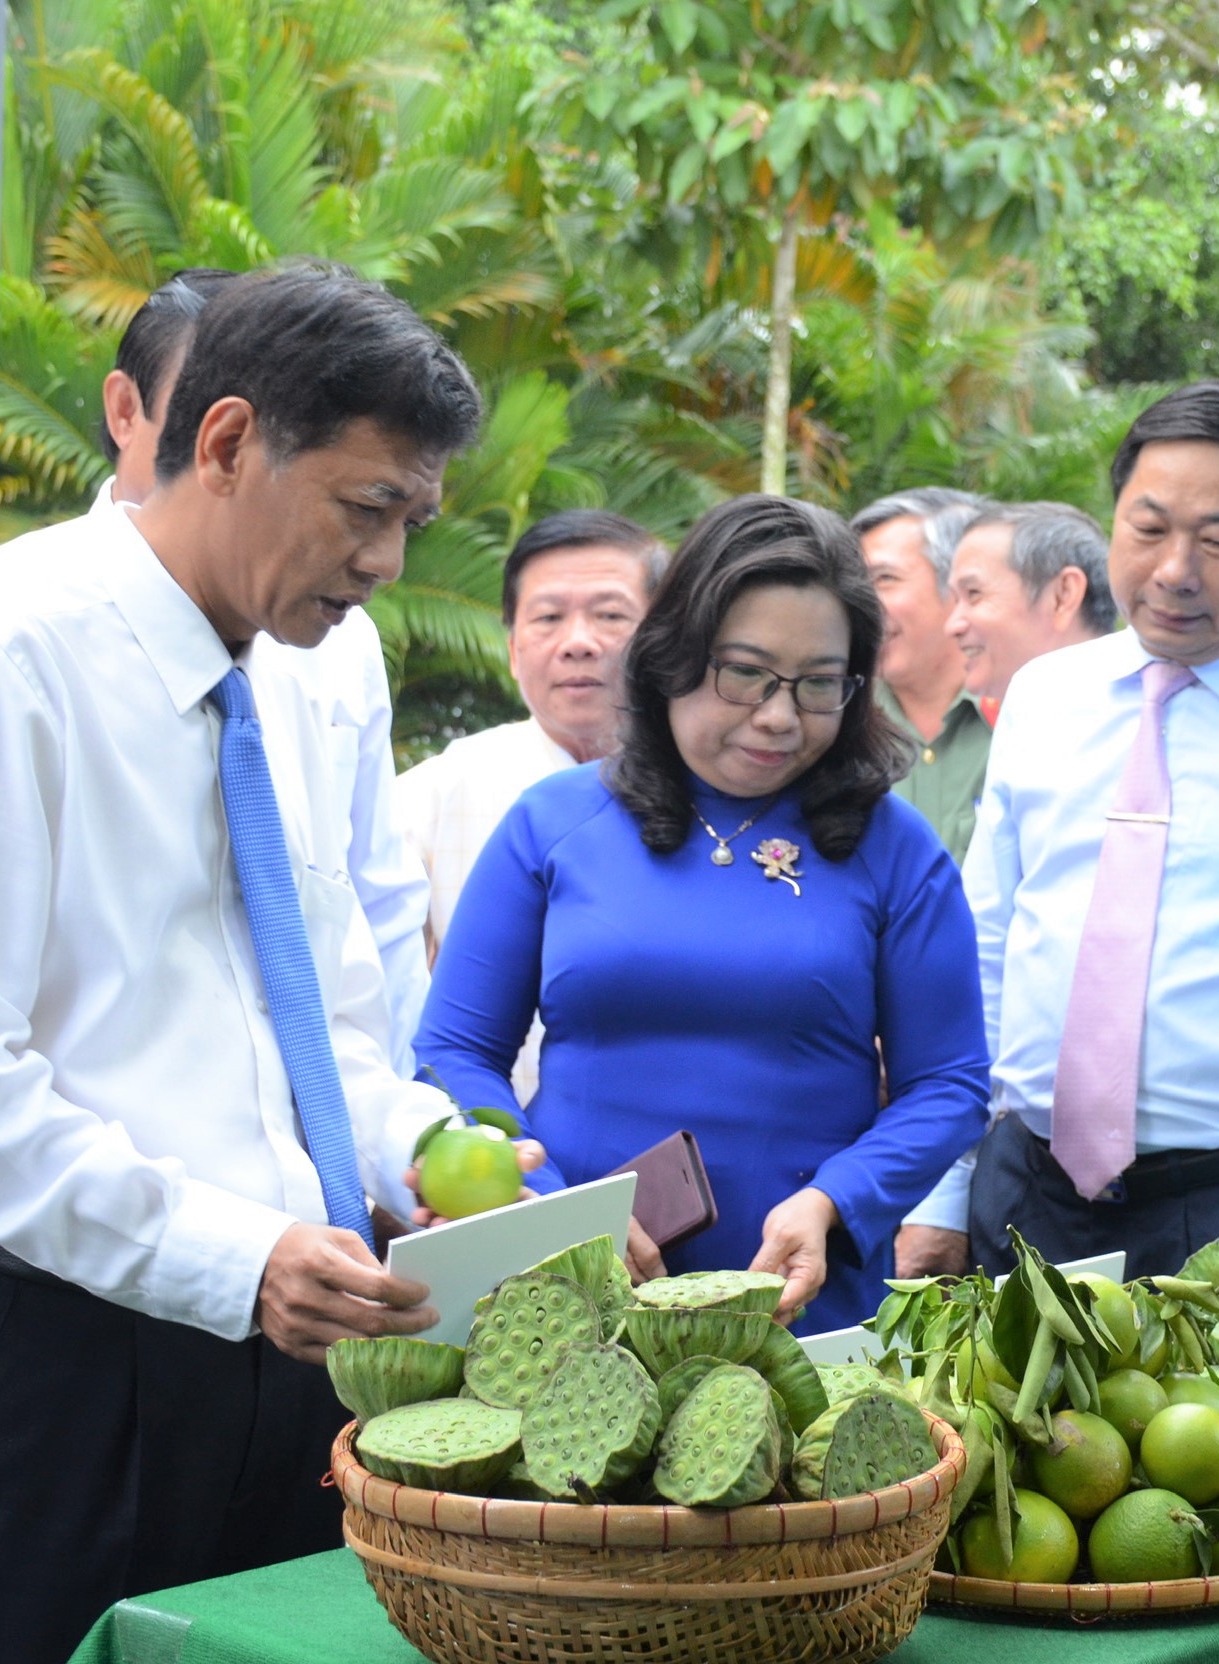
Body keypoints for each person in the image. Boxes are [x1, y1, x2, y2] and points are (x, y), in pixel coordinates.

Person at [0, 263, 509, 1663]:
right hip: (59, 1362)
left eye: (415, 521)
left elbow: (318, 1024)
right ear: (228, 441)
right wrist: (232, 1257)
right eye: (368, 507)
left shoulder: (298, 673)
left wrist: (434, 1152)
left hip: (292, 1353)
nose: (388, 562)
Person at [415, 494, 989, 1329]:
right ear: (672, 658)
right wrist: (549, 1206)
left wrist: (836, 1199)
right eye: (745, 673)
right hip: (569, 1296)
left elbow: (948, 1083)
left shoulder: (895, 849)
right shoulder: (553, 823)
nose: (779, 716)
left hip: (795, 1303)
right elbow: (454, 1050)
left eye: (818, 684)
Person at [895, 382, 1219, 1283]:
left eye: (1218, 540)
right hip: (1028, 1191)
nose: (1175, 570)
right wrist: (946, 1191)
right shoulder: (1045, 697)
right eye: (1147, 529)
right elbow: (986, 947)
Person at [394, 511, 663, 1099]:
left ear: (664, 639)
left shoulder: (719, 797)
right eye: (548, 618)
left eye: (610, 615)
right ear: (513, 649)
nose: (578, 643)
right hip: (484, 1139)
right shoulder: (433, 795)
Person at [853, 489, 989, 860]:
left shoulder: (1029, 716)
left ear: (961, 586)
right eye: (855, 584)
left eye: (883, 579)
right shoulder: (836, 722)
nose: (859, 603)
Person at [943, 501, 1118, 708]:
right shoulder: (1010, 721)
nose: (952, 626)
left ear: (1062, 596)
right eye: (956, 600)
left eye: (974, 593)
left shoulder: (1138, 721)